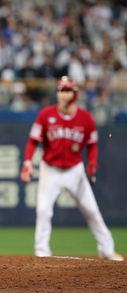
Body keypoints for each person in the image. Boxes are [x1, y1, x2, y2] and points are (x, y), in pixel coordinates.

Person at [20, 76, 123, 261]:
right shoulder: (46, 114)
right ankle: (42, 252)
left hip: (75, 170)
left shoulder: (85, 118)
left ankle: (107, 249)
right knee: (43, 210)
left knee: (91, 210)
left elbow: (92, 144)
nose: (63, 94)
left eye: (67, 91)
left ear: (75, 94)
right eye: (61, 90)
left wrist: (92, 162)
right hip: (50, 169)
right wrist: (28, 161)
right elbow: (33, 141)